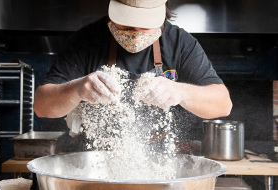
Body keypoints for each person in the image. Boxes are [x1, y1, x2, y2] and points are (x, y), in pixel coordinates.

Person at [33, 0, 232, 152]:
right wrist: (77, 89)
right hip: (93, 156)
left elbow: (223, 104)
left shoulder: (180, 44)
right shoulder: (85, 41)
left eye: (144, 26)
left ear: (162, 16)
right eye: (125, 25)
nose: (135, 33)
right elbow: (41, 107)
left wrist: (179, 91)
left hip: (157, 158)